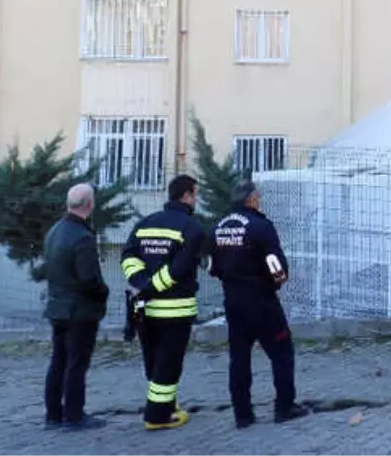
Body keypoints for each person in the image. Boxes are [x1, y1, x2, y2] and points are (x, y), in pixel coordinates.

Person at [209, 179, 308, 429]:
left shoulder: (218, 228)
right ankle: (284, 406)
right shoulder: (261, 227)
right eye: (258, 197)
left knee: (239, 358)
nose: (260, 200)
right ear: (251, 200)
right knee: (282, 352)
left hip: (233, 301)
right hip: (262, 301)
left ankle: (242, 414)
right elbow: (277, 268)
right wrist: (274, 285)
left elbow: (213, 267)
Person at [121, 174, 207, 431]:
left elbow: (128, 256)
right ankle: (157, 416)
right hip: (176, 310)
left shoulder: (144, 224)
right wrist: (153, 286)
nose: (196, 199)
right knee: (169, 363)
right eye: (195, 194)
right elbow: (180, 268)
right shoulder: (192, 228)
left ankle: (167, 405)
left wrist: (141, 282)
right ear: (187, 196)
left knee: (154, 360)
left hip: (145, 311)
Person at [42, 184, 110, 430]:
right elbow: (89, 279)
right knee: (76, 363)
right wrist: (104, 293)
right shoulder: (83, 237)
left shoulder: (55, 231)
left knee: (58, 360)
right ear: (90, 205)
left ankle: (53, 413)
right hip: (79, 311)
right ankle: (74, 414)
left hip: (57, 306)